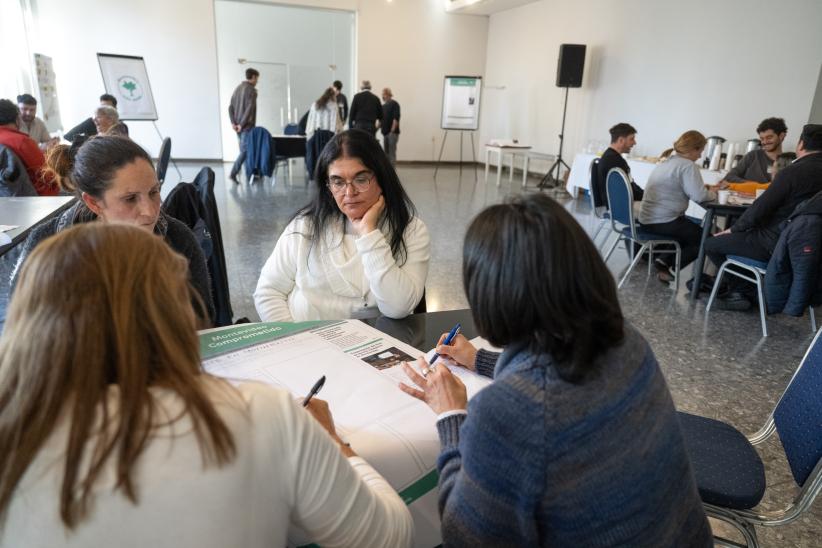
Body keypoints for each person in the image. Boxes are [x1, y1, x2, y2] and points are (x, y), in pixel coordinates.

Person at [0, 223, 414, 548]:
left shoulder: (17, 435)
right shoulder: (261, 415)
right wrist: (335, 444)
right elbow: (387, 537)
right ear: (173, 316)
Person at [397, 194, 711, 547]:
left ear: (489, 294)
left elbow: (465, 536)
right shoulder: (627, 340)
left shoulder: (507, 413)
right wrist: (478, 360)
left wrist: (451, 415)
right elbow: (558, 380)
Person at [9, 135, 216, 324]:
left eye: (154, 192)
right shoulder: (46, 247)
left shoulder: (176, 237)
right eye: (130, 199)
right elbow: (25, 331)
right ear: (93, 203)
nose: (150, 211)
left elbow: (203, 319)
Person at [255, 130, 430, 322]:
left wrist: (369, 233)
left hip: (374, 345)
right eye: (337, 182)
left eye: (361, 179)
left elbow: (398, 308)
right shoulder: (305, 227)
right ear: (328, 186)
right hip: (307, 344)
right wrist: (295, 342)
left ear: (382, 178)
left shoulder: (411, 230)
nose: (349, 192)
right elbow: (268, 292)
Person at [705, 123, 822, 311]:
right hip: (807, 250)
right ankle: (746, 288)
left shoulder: (793, 172)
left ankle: (745, 292)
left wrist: (732, 229)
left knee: (711, 243)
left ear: (800, 144)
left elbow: (760, 208)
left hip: (774, 243)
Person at [638, 130, 718, 282]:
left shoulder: (667, 161)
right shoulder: (688, 166)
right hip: (663, 221)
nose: (700, 156)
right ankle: (671, 267)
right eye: (700, 151)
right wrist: (714, 194)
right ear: (693, 149)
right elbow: (699, 196)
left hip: (647, 218)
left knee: (688, 227)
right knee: (706, 239)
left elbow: (685, 187)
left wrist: (703, 189)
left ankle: (663, 260)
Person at [0, 98, 58, 195]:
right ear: (17, 119)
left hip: (7, 202)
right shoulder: (21, 141)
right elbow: (46, 175)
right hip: (40, 198)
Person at [722, 117, 787, 184]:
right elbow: (729, 177)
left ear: (781, 136)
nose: (764, 142)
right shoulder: (752, 156)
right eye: (762, 139)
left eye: (769, 137)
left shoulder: (788, 163)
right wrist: (752, 185)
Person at [594, 122, 644, 208]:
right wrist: (646, 196)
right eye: (631, 139)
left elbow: (629, 185)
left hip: (615, 203)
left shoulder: (609, 156)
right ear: (621, 140)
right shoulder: (615, 161)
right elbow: (627, 190)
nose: (634, 143)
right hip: (618, 207)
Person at [228, 67, 259, 183]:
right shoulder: (252, 90)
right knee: (245, 152)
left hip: (238, 127)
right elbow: (249, 109)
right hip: (246, 127)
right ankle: (233, 173)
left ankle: (249, 175)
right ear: (253, 77)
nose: (257, 81)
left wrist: (233, 123)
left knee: (244, 151)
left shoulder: (237, 88)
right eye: (257, 78)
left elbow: (230, 107)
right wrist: (241, 124)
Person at [380, 88, 400, 166]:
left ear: (388, 95)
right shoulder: (383, 106)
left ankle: (392, 174)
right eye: (382, 95)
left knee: (392, 153)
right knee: (386, 154)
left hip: (392, 133)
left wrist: (392, 131)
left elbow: (396, 118)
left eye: (384, 95)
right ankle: (387, 172)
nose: (382, 96)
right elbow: (381, 121)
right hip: (385, 133)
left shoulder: (395, 104)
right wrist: (374, 129)